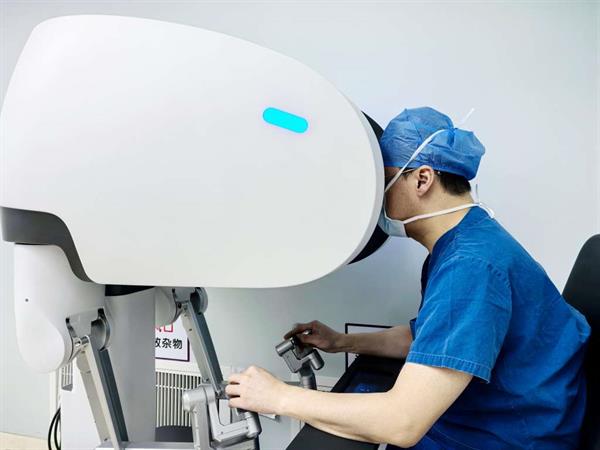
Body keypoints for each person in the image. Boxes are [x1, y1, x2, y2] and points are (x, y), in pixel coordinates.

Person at [225, 107, 591, 449]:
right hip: (500, 418)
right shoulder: (467, 239)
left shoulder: (470, 266)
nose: (374, 195)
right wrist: (340, 342)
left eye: (383, 180)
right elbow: (428, 338)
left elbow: (402, 422)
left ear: (422, 179)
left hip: (505, 438)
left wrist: (279, 397)